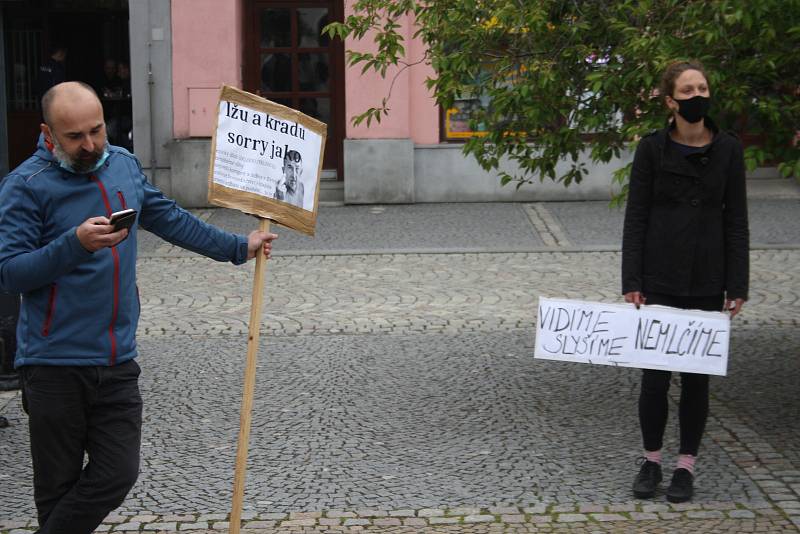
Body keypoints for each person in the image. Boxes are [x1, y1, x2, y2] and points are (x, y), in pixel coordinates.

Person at [0, 81, 278, 534]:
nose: (90, 145)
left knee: (117, 473)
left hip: (116, 359)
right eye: (75, 137)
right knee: (57, 489)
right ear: (48, 134)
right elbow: (10, 273)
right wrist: (73, 244)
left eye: (97, 130)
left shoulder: (123, 167)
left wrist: (236, 247)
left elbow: (170, 218)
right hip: (52, 363)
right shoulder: (25, 187)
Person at [622, 60, 749, 503]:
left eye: (704, 87)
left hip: (708, 277)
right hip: (659, 276)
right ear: (671, 100)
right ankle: (652, 460)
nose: (699, 95)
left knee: (697, 379)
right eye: (689, 90)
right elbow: (635, 216)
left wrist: (738, 284)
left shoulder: (730, 149)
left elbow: (737, 221)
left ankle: (685, 467)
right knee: (654, 378)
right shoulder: (651, 148)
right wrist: (632, 279)